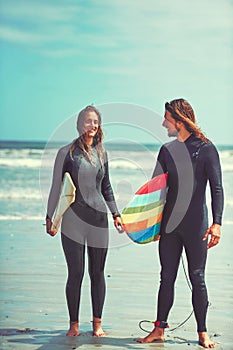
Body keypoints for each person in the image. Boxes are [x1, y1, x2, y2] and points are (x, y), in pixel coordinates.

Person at [137, 99, 224, 348]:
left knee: (198, 277)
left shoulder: (206, 149)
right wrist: (145, 225)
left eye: (167, 118)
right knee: (166, 277)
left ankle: (202, 333)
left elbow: (217, 189)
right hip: (169, 226)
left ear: (179, 120)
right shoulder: (167, 150)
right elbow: (156, 191)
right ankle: (158, 330)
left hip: (196, 223)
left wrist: (217, 223)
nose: (164, 123)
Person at [45, 105, 123, 337]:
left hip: (99, 219)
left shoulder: (102, 153)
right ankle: (74, 325)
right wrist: (50, 217)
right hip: (73, 220)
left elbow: (106, 186)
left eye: (96, 122)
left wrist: (116, 214)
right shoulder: (66, 153)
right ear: (80, 124)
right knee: (76, 272)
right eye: (88, 121)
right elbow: (56, 188)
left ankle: (97, 324)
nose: (92, 126)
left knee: (97, 272)